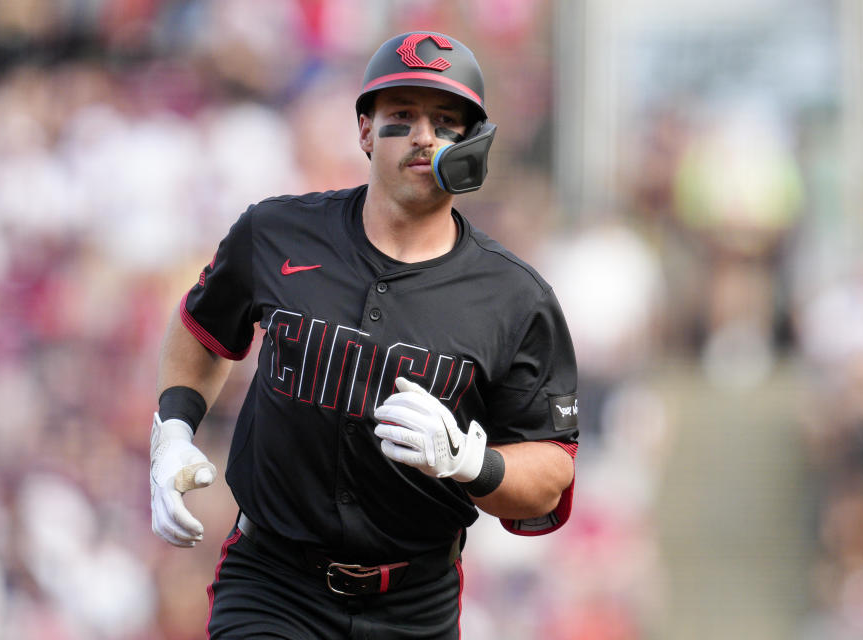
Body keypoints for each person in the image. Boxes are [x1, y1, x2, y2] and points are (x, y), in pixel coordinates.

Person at [149, 31, 580, 639]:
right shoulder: (276, 232)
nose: (424, 136)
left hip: (414, 600)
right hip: (273, 581)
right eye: (401, 117)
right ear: (364, 131)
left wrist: (469, 462)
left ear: (473, 143)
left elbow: (550, 473)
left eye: (446, 122)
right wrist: (173, 429)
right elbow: (202, 329)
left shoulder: (516, 297)